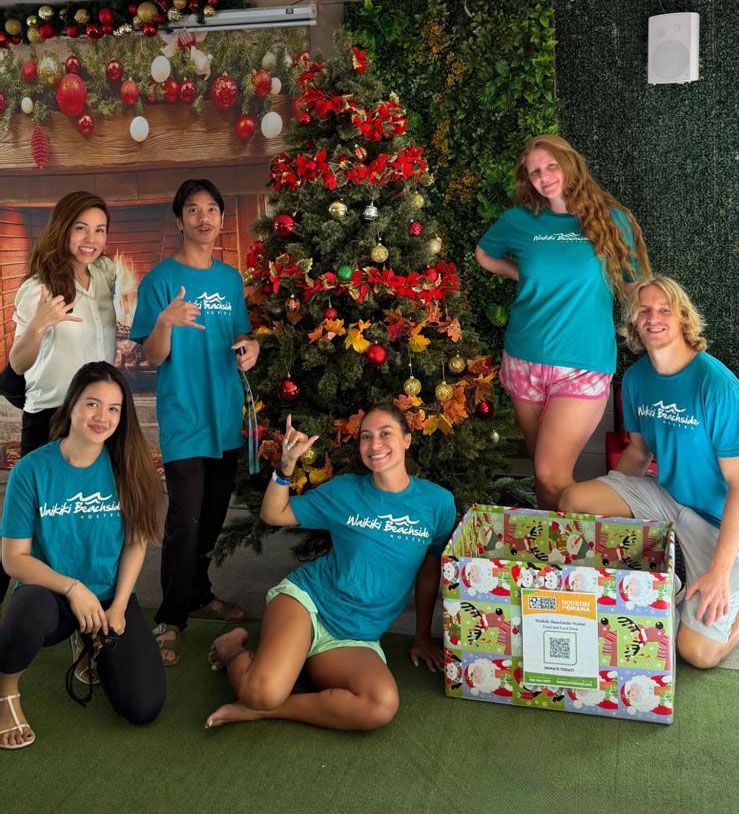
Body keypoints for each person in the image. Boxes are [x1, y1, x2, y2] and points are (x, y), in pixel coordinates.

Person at [204, 405, 457, 732]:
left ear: (407, 440)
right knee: (261, 692)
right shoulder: (346, 490)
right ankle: (232, 649)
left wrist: (422, 636)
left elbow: (428, 569)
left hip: (356, 636)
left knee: (380, 706)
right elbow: (274, 514)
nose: (374, 444)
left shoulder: (438, 504)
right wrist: (286, 466)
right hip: (308, 604)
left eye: (385, 434)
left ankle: (262, 710)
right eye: (366, 437)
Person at [561, 277, 739, 669]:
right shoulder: (638, 379)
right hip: (670, 499)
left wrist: (719, 573)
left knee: (697, 652)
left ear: (683, 319)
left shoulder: (717, 385)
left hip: (721, 522)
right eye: (644, 310)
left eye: (664, 310)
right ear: (633, 322)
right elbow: (639, 453)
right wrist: (613, 498)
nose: (653, 318)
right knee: (575, 499)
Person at [475, 134, 652, 509]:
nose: (544, 176)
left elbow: (636, 285)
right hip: (525, 357)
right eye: (535, 171)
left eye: (551, 166)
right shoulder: (520, 221)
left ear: (570, 164)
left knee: (551, 472)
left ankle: (576, 559)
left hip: (582, 364)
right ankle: (552, 562)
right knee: (543, 476)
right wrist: (521, 275)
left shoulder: (610, 219)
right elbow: (484, 255)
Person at [0, 362, 166, 749]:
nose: (102, 417)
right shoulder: (32, 470)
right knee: (27, 611)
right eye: (92, 404)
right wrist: (73, 589)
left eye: (113, 409)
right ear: (72, 404)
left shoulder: (127, 465)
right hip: (51, 594)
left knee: (143, 706)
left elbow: (136, 542)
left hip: (108, 596)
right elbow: (14, 558)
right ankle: (5, 691)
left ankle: (91, 644)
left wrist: (120, 606)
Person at [129, 179, 260, 666]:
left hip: (224, 412)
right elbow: (151, 354)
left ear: (222, 220)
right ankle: (170, 615)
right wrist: (164, 322)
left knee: (212, 516)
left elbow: (241, 333)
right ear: (178, 219)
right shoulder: (159, 281)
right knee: (184, 519)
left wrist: (253, 348)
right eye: (192, 210)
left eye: (212, 210)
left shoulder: (229, 279)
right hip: (185, 416)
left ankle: (200, 591)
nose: (203, 218)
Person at [2, 191, 116, 605]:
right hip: (51, 415)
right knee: (27, 520)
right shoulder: (38, 287)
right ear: (63, 229)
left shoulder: (102, 276)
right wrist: (37, 326)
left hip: (96, 416)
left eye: (100, 229)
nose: (91, 238)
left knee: (84, 517)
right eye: (81, 227)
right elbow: (17, 362)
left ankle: (83, 606)